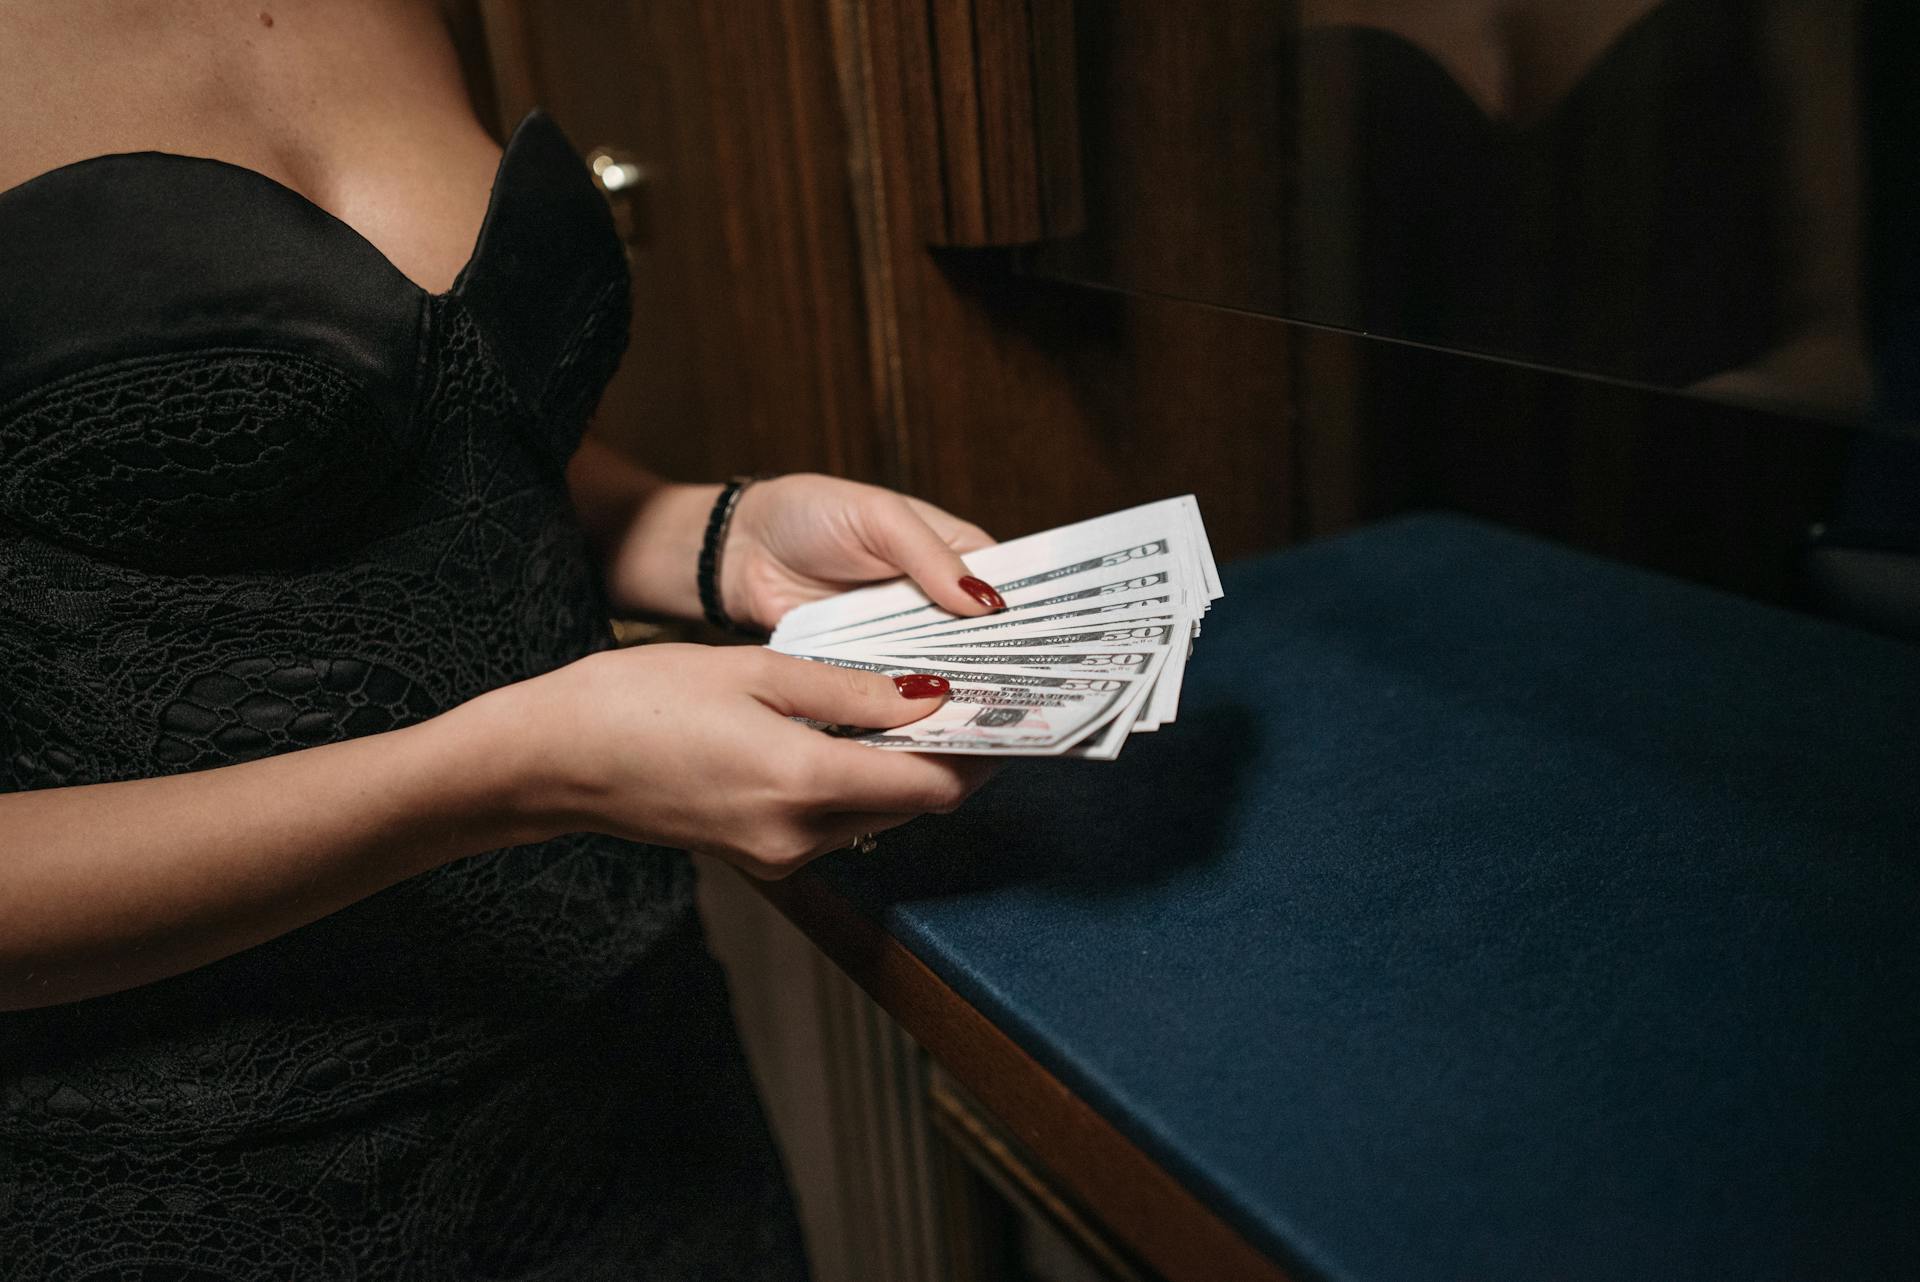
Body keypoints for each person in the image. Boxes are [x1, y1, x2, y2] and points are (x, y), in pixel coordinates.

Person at [0, 2, 1002, 1276]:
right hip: (200, 1182)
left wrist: (705, 532)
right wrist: (507, 771)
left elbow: (431, 453)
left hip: (630, 1066)